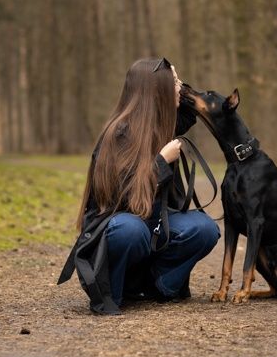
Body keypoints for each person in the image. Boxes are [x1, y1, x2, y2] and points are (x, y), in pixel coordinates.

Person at [57, 57, 220, 314]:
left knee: (205, 229)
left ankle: (159, 286)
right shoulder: (117, 134)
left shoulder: (164, 124)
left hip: (154, 223)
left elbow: (190, 110)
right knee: (130, 230)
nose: (179, 88)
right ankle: (116, 290)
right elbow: (120, 196)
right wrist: (161, 163)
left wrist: (174, 78)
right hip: (118, 221)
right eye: (174, 84)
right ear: (156, 92)